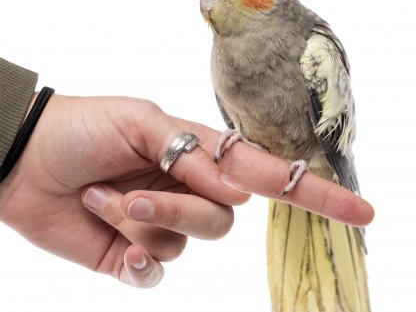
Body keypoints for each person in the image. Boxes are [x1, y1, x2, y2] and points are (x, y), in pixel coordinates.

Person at [0, 58, 374, 288]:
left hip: (314, 165)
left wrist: (26, 138)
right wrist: (20, 151)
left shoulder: (314, 50)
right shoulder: (222, 59)